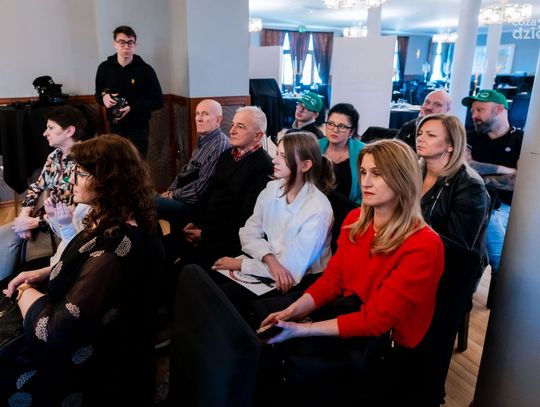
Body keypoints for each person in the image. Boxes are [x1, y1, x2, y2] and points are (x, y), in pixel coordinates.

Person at [259, 139, 445, 406]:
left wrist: (301, 329)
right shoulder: (355, 220)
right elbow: (333, 280)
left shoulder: (424, 245)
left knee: (287, 364)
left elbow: (376, 322)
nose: (365, 182)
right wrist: (293, 311)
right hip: (353, 314)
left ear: (402, 179)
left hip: (388, 347)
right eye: (364, 172)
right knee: (270, 340)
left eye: (377, 174)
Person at [1, 135, 163, 406]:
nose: (72, 180)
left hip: (100, 362)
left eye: (82, 174)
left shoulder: (115, 249)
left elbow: (53, 332)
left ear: (108, 180)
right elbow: (82, 257)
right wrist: (44, 273)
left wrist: (24, 292)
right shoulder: (112, 214)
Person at [212, 132, 334, 311]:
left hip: (302, 278)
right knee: (211, 282)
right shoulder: (272, 188)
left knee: (222, 298)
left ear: (306, 165)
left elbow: (291, 270)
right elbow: (249, 231)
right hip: (271, 263)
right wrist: (270, 259)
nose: (274, 160)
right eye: (277, 153)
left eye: (284, 156)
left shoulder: (318, 210)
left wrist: (242, 264)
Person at [416, 114, 489, 403]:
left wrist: (409, 230)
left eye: (431, 135)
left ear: (450, 145)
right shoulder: (416, 170)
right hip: (416, 260)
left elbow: (457, 249)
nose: (420, 138)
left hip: (451, 275)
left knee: (432, 341)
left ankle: (431, 391)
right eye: (421, 132)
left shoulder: (469, 185)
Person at [177, 106, 273, 270]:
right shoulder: (227, 155)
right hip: (207, 228)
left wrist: (205, 235)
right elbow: (210, 192)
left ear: (258, 136)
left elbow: (244, 218)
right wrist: (195, 222)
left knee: (183, 271)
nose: (232, 130)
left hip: (227, 241)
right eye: (233, 124)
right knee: (160, 251)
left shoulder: (263, 166)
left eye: (240, 127)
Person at [0, 106, 87, 281]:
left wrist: (34, 222)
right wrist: (24, 215)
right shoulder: (54, 156)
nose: (45, 133)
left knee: (9, 242)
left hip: (68, 223)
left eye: (51, 128)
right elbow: (36, 187)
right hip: (47, 218)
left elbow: (78, 209)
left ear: (69, 131)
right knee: (3, 235)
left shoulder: (86, 159)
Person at [462, 90, 523, 295]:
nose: (474, 115)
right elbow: (465, 165)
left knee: (492, 221)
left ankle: (499, 278)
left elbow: (519, 182)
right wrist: (505, 170)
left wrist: (481, 177)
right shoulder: (470, 135)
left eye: (479, 110)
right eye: (472, 111)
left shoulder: (521, 140)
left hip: (508, 206)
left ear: (499, 110)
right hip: (475, 202)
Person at [155, 99, 230, 232]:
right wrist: (170, 191)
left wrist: (172, 195)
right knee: (144, 200)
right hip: (184, 197)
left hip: (196, 205)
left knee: (147, 205)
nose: (199, 119)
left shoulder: (219, 145)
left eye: (205, 114)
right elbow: (185, 172)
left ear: (218, 120)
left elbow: (200, 190)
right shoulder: (204, 139)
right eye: (197, 113)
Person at [95, 25, 163, 157]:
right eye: (122, 42)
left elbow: (158, 101)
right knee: (117, 164)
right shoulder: (104, 68)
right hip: (114, 127)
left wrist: (132, 107)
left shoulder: (146, 70)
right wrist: (104, 98)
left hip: (139, 129)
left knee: (137, 164)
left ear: (135, 45)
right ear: (115, 44)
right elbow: (98, 94)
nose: (126, 47)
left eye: (130, 43)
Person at [318, 103, 364, 205]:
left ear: (351, 131)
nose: (335, 130)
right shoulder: (314, 146)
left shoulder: (363, 152)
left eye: (342, 126)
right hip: (316, 207)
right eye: (331, 124)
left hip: (350, 207)